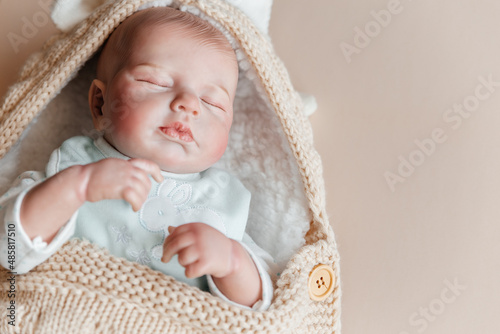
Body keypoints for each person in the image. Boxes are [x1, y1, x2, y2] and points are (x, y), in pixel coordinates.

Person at [0, 7, 273, 310]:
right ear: (100, 104)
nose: (188, 105)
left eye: (212, 102)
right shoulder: (73, 167)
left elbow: (259, 309)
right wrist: (77, 187)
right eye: (157, 82)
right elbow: (8, 247)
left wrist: (232, 263)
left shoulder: (222, 202)